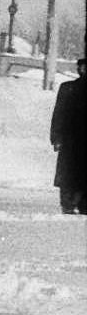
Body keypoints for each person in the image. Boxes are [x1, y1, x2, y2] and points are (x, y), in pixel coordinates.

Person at [49, 57, 87, 215]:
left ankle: (83, 204)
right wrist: (56, 137)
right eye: (83, 67)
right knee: (68, 174)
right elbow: (59, 114)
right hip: (71, 140)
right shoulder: (68, 88)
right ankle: (68, 203)